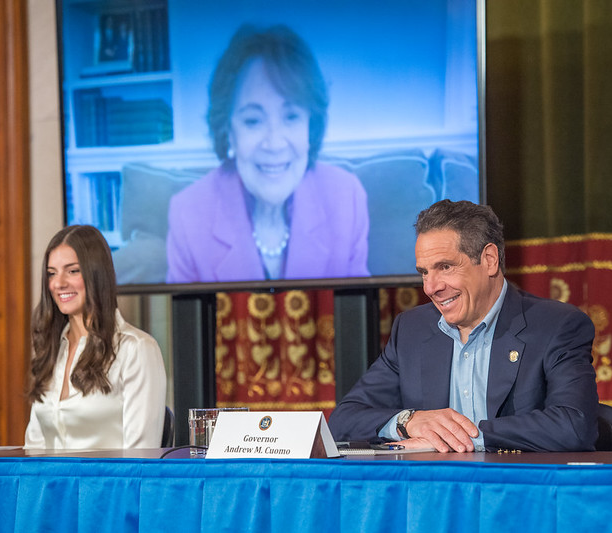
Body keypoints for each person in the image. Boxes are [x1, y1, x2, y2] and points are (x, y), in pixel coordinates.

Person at [328, 200, 599, 452]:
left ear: (489, 260)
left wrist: (465, 436)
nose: (431, 287)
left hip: (518, 493)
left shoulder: (556, 326)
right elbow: (344, 419)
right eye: (424, 272)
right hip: (434, 493)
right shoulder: (412, 329)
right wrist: (408, 421)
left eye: (445, 267)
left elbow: (574, 425)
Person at [166, 24, 370, 283]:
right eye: (253, 120)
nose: (274, 143)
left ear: (311, 126)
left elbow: (357, 309)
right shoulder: (188, 212)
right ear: (228, 130)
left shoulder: (346, 199)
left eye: (291, 116)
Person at [24, 225, 167, 449]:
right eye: (52, 273)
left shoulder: (136, 349)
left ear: (96, 275)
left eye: (72, 271)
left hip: (111, 484)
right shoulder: (51, 349)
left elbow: (140, 457)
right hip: (49, 484)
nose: (58, 283)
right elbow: (34, 447)